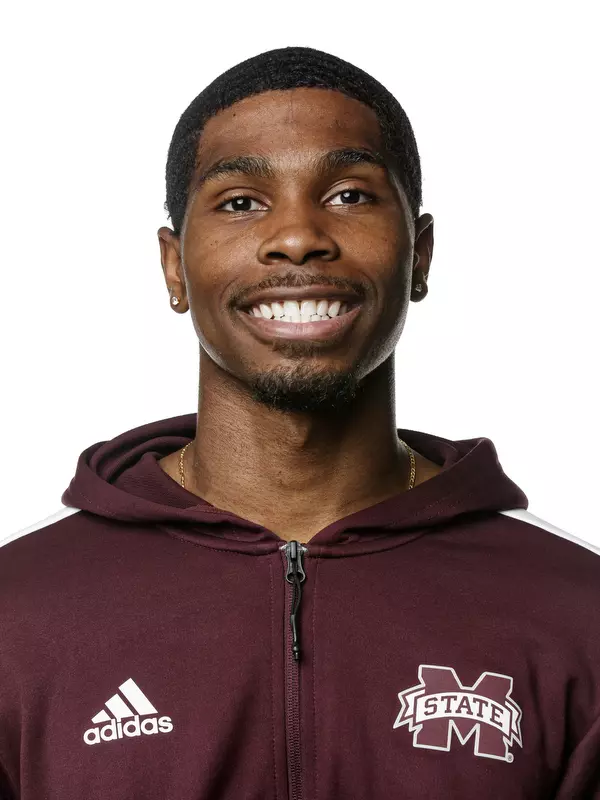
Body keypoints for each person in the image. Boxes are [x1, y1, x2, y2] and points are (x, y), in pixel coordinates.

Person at [0, 45, 598, 800]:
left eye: (349, 194)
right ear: (175, 266)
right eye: (242, 201)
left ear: (420, 253)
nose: (297, 236)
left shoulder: (578, 615)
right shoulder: (16, 614)